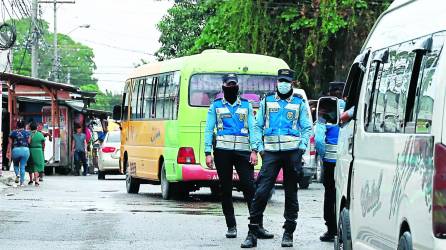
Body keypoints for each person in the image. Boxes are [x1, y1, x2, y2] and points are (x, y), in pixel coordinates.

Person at [241, 69, 312, 248]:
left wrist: (302, 148)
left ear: (292, 83)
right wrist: (260, 148)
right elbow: (257, 126)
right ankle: (252, 231)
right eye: (280, 80)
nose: (283, 83)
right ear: (277, 82)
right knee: (261, 191)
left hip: (292, 153)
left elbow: (307, 127)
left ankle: (288, 232)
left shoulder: (299, 103)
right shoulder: (267, 101)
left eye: (286, 80)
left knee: (291, 193)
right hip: (271, 153)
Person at [204, 73, 273, 239]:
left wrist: (255, 150)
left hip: (243, 153)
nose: (232, 88)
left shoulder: (247, 106)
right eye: (229, 86)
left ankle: (257, 226)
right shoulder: (216, 106)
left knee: (250, 189)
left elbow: (253, 128)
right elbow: (208, 129)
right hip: (222, 153)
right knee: (226, 190)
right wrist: (207, 152)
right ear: (224, 88)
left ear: (237, 88)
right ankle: (231, 226)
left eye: (234, 85)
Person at [314, 82, 344, 242]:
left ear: (329, 93)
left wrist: (323, 155)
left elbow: (319, 139)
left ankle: (331, 230)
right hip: (348, 160)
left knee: (330, 194)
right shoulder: (352, 107)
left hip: (330, 162)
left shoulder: (326, 108)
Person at [7, 120, 30, 187]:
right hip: (25, 150)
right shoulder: (27, 133)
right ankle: (22, 183)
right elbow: (29, 142)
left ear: (17, 125)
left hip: (16, 150)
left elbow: (10, 143)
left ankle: (17, 174)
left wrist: (8, 152)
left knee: (15, 165)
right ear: (24, 126)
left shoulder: (13, 133)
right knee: (22, 166)